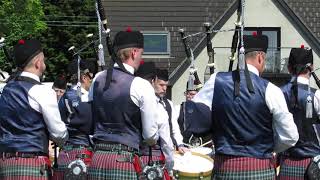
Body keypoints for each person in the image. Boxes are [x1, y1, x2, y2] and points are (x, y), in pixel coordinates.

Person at [185, 34, 299, 179]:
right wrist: (268, 147)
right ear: (260, 57)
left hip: (224, 169)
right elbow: (290, 137)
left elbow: (195, 117)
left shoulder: (216, 81)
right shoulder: (271, 90)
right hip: (261, 169)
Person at [87, 29, 160, 180]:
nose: (141, 58)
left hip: (97, 158)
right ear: (134, 52)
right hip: (124, 160)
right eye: (141, 53)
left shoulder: (97, 79)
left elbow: (91, 118)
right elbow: (150, 135)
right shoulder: (141, 85)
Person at [0, 39, 68, 179]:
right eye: (43, 61)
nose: (44, 65)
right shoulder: (43, 92)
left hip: (5, 163)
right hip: (32, 163)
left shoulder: (5, 90)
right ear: (38, 63)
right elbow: (58, 133)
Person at [278, 46, 320, 179]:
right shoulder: (317, 95)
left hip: (285, 164)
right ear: (311, 67)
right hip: (313, 166)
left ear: (289, 68)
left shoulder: (277, 92)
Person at [52, 59, 95, 179]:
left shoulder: (62, 98)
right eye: (90, 78)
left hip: (64, 154)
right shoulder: (87, 98)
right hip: (83, 154)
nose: (91, 82)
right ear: (84, 78)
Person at [136, 61, 175, 178]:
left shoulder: (129, 102)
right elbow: (166, 141)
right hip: (152, 160)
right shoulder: (157, 106)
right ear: (153, 81)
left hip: (132, 160)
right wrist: (170, 166)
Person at [151, 68, 187, 153]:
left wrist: (180, 144)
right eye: (161, 85)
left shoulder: (169, 103)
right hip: (152, 150)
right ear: (153, 82)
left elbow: (174, 126)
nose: (164, 88)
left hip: (169, 150)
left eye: (166, 85)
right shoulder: (148, 102)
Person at [176, 71, 207, 146]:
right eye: (187, 94)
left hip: (202, 148)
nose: (189, 96)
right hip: (183, 148)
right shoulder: (177, 109)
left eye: (192, 94)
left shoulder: (205, 110)